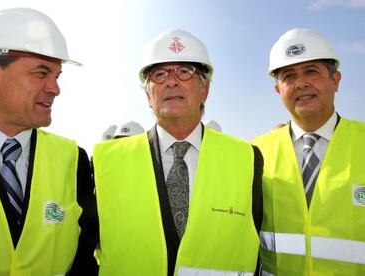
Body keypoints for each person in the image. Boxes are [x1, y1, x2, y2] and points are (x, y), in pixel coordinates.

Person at [93, 28, 263, 275]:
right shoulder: (105, 161)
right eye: (160, 74)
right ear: (148, 96)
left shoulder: (247, 158)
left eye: (185, 72)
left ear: (204, 90)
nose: (171, 81)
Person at [0, 8, 98, 275]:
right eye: (42, 73)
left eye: (56, 76)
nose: (55, 88)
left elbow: (84, 258)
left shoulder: (72, 159)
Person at [253, 28, 365, 275]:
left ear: (335, 80)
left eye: (311, 71)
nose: (301, 83)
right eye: (289, 76)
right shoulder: (256, 153)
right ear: (278, 90)